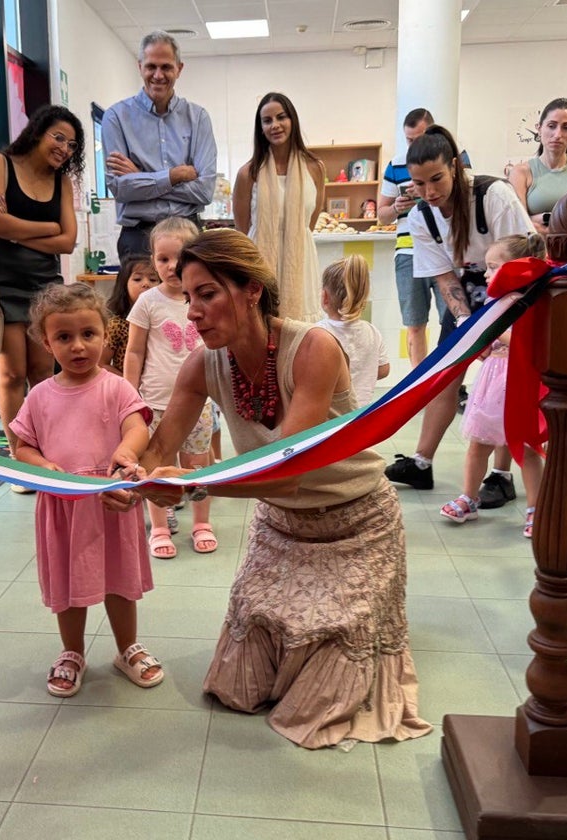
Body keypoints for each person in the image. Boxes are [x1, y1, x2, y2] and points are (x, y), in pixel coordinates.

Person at [129, 228, 430, 750]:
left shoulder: (313, 347)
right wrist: (129, 477)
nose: (193, 311)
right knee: (235, 688)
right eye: (188, 295)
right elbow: (158, 451)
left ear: (251, 290)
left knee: (316, 706)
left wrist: (194, 486)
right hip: (282, 528)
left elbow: (288, 469)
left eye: (208, 294)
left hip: (355, 524)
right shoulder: (203, 363)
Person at [9, 283, 164, 697]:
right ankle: (72, 652)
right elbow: (21, 446)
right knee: (69, 586)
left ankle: (126, 647)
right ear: (46, 341)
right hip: (63, 508)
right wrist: (44, 466)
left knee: (119, 581)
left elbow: (138, 425)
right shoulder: (39, 396)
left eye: (88, 334)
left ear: (105, 333)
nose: (78, 346)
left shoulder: (116, 387)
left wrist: (126, 451)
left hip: (112, 502)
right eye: (64, 337)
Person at [384, 126, 535, 492]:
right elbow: (445, 279)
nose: (430, 192)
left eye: (436, 179)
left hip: (515, 290)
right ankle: (422, 462)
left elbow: (523, 258)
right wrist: (468, 325)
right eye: (419, 185)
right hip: (467, 293)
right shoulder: (422, 217)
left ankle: (501, 474)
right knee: (446, 371)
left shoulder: (494, 196)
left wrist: (498, 331)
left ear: (454, 166)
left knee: (505, 378)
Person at [0, 104, 83, 489]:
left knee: (43, 373)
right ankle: (20, 459)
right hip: (3, 284)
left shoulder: (62, 183)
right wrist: (47, 227)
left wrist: (14, 229)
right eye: (58, 137)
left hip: (46, 286)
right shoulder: (0, 164)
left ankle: (44, 453)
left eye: (71, 145)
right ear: (38, 132)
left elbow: (69, 241)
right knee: (11, 374)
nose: (64, 148)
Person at [439, 235, 547, 539]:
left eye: (493, 267)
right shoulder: (495, 301)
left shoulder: (529, 304)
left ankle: (535, 509)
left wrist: (495, 333)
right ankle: (469, 498)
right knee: (478, 444)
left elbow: (529, 345)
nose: (486, 274)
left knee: (526, 449)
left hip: (518, 380)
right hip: (492, 379)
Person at [123, 217, 217, 558]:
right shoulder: (148, 301)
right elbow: (134, 351)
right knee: (155, 466)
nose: (171, 266)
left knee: (197, 466)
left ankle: (201, 523)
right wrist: (129, 396)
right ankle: (160, 527)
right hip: (154, 402)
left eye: (178, 258)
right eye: (162, 259)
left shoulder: (202, 298)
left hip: (199, 403)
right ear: (153, 260)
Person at [102, 31, 217, 261]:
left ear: (179, 69)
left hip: (188, 235)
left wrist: (142, 177)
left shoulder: (198, 118)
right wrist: (174, 175)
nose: (158, 75)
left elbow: (204, 191)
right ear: (140, 67)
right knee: (140, 299)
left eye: (166, 67)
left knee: (190, 298)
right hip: (138, 237)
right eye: (151, 66)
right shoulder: (116, 117)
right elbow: (120, 188)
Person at [379, 108, 470, 367]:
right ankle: (419, 384)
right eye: (409, 140)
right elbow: (382, 215)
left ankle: (452, 381)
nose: (414, 145)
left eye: (419, 138)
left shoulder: (455, 159)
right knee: (414, 322)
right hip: (408, 250)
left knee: (452, 319)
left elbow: (465, 193)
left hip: (448, 248)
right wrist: (398, 206)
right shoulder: (396, 164)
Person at [232, 92, 325, 322]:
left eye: (281, 117)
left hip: (300, 259)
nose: (275, 125)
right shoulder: (248, 173)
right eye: (267, 120)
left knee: (301, 328)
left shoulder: (315, 168)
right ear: (260, 128)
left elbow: (310, 222)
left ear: (292, 120)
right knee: (261, 322)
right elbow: (242, 230)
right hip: (260, 259)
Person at [509, 98, 567, 236]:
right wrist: (566, 226)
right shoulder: (521, 172)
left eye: (566, 127)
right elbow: (518, 223)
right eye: (551, 126)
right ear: (539, 128)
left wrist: (543, 219)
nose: (557, 135)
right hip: (536, 251)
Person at [314, 255, 389, 408]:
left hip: (328, 418)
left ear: (324, 297)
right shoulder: (372, 332)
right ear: (363, 297)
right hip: (360, 415)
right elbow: (383, 370)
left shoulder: (318, 332)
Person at [102, 255, 157, 375]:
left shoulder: (161, 321)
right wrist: (127, 382)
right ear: (124, 285)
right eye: (137, 279)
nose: (146, 284)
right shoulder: (116, 324)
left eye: (153, 280)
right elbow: (101, 364)